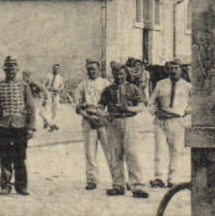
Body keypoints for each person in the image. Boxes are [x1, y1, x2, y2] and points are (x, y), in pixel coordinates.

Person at [0, 55, 37, 195]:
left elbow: (31, 108)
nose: (11, 70)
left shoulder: (24, 86)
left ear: (17, 69)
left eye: (14, 67)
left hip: (20, 126)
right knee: (4, 156)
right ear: (5, 69)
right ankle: (6, 184)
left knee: (20, 156)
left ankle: (21, 185)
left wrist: (31, 127)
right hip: (3, 126)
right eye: (8, 67)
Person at [100, 62, 149, 197]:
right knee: (115, 154)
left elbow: (141, 105)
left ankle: (137, 185)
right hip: (113, 122)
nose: (118, 76)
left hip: (129, 121)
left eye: (121, 73)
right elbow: (101, 105)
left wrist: (129, 108)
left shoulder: (133, 88)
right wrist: (102, 114)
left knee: (132, 153)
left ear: (125, 74)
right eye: (115, 74)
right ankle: (118, 185)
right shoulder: (108, 90)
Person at [151, 60, 192, 188]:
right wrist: (156, 112)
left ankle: (173, 179)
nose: (173, 71)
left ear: (181, 70)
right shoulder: (160, 84)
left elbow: (194, 103)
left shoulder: (187, 86)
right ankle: (160, 177)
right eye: (171, 68)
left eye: (176, 68)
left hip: (177, 121)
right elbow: (151, 102)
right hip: (161, 121)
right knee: (160, 150)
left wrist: (184, 112)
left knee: (176, 150)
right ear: (167, 70)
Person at [74, 59, 111, 190]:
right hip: (88, 121)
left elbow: (111, 104)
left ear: (99, 69)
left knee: (110, 150)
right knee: (90, 152)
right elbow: (77, 106)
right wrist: (87, 115)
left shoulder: (106, 84)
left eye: (93, 69)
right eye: (89, 69)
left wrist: (103, 116)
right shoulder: (82, 85)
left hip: (103, 120)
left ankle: (118, 179)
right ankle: (92, 179)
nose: (91, 72)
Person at [41, 63, 66, 131]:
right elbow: (43, 85)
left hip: (56, 94)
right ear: (52, 69)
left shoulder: (60, 78)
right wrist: (45, 94)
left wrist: (58, 90)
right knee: (47, 109)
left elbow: (62, 86)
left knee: (55, 109)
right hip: (49, 92)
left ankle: (53, 124)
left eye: (57, 68)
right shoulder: (48, 76)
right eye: (55, 68)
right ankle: (48, 122)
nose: (56, 70)